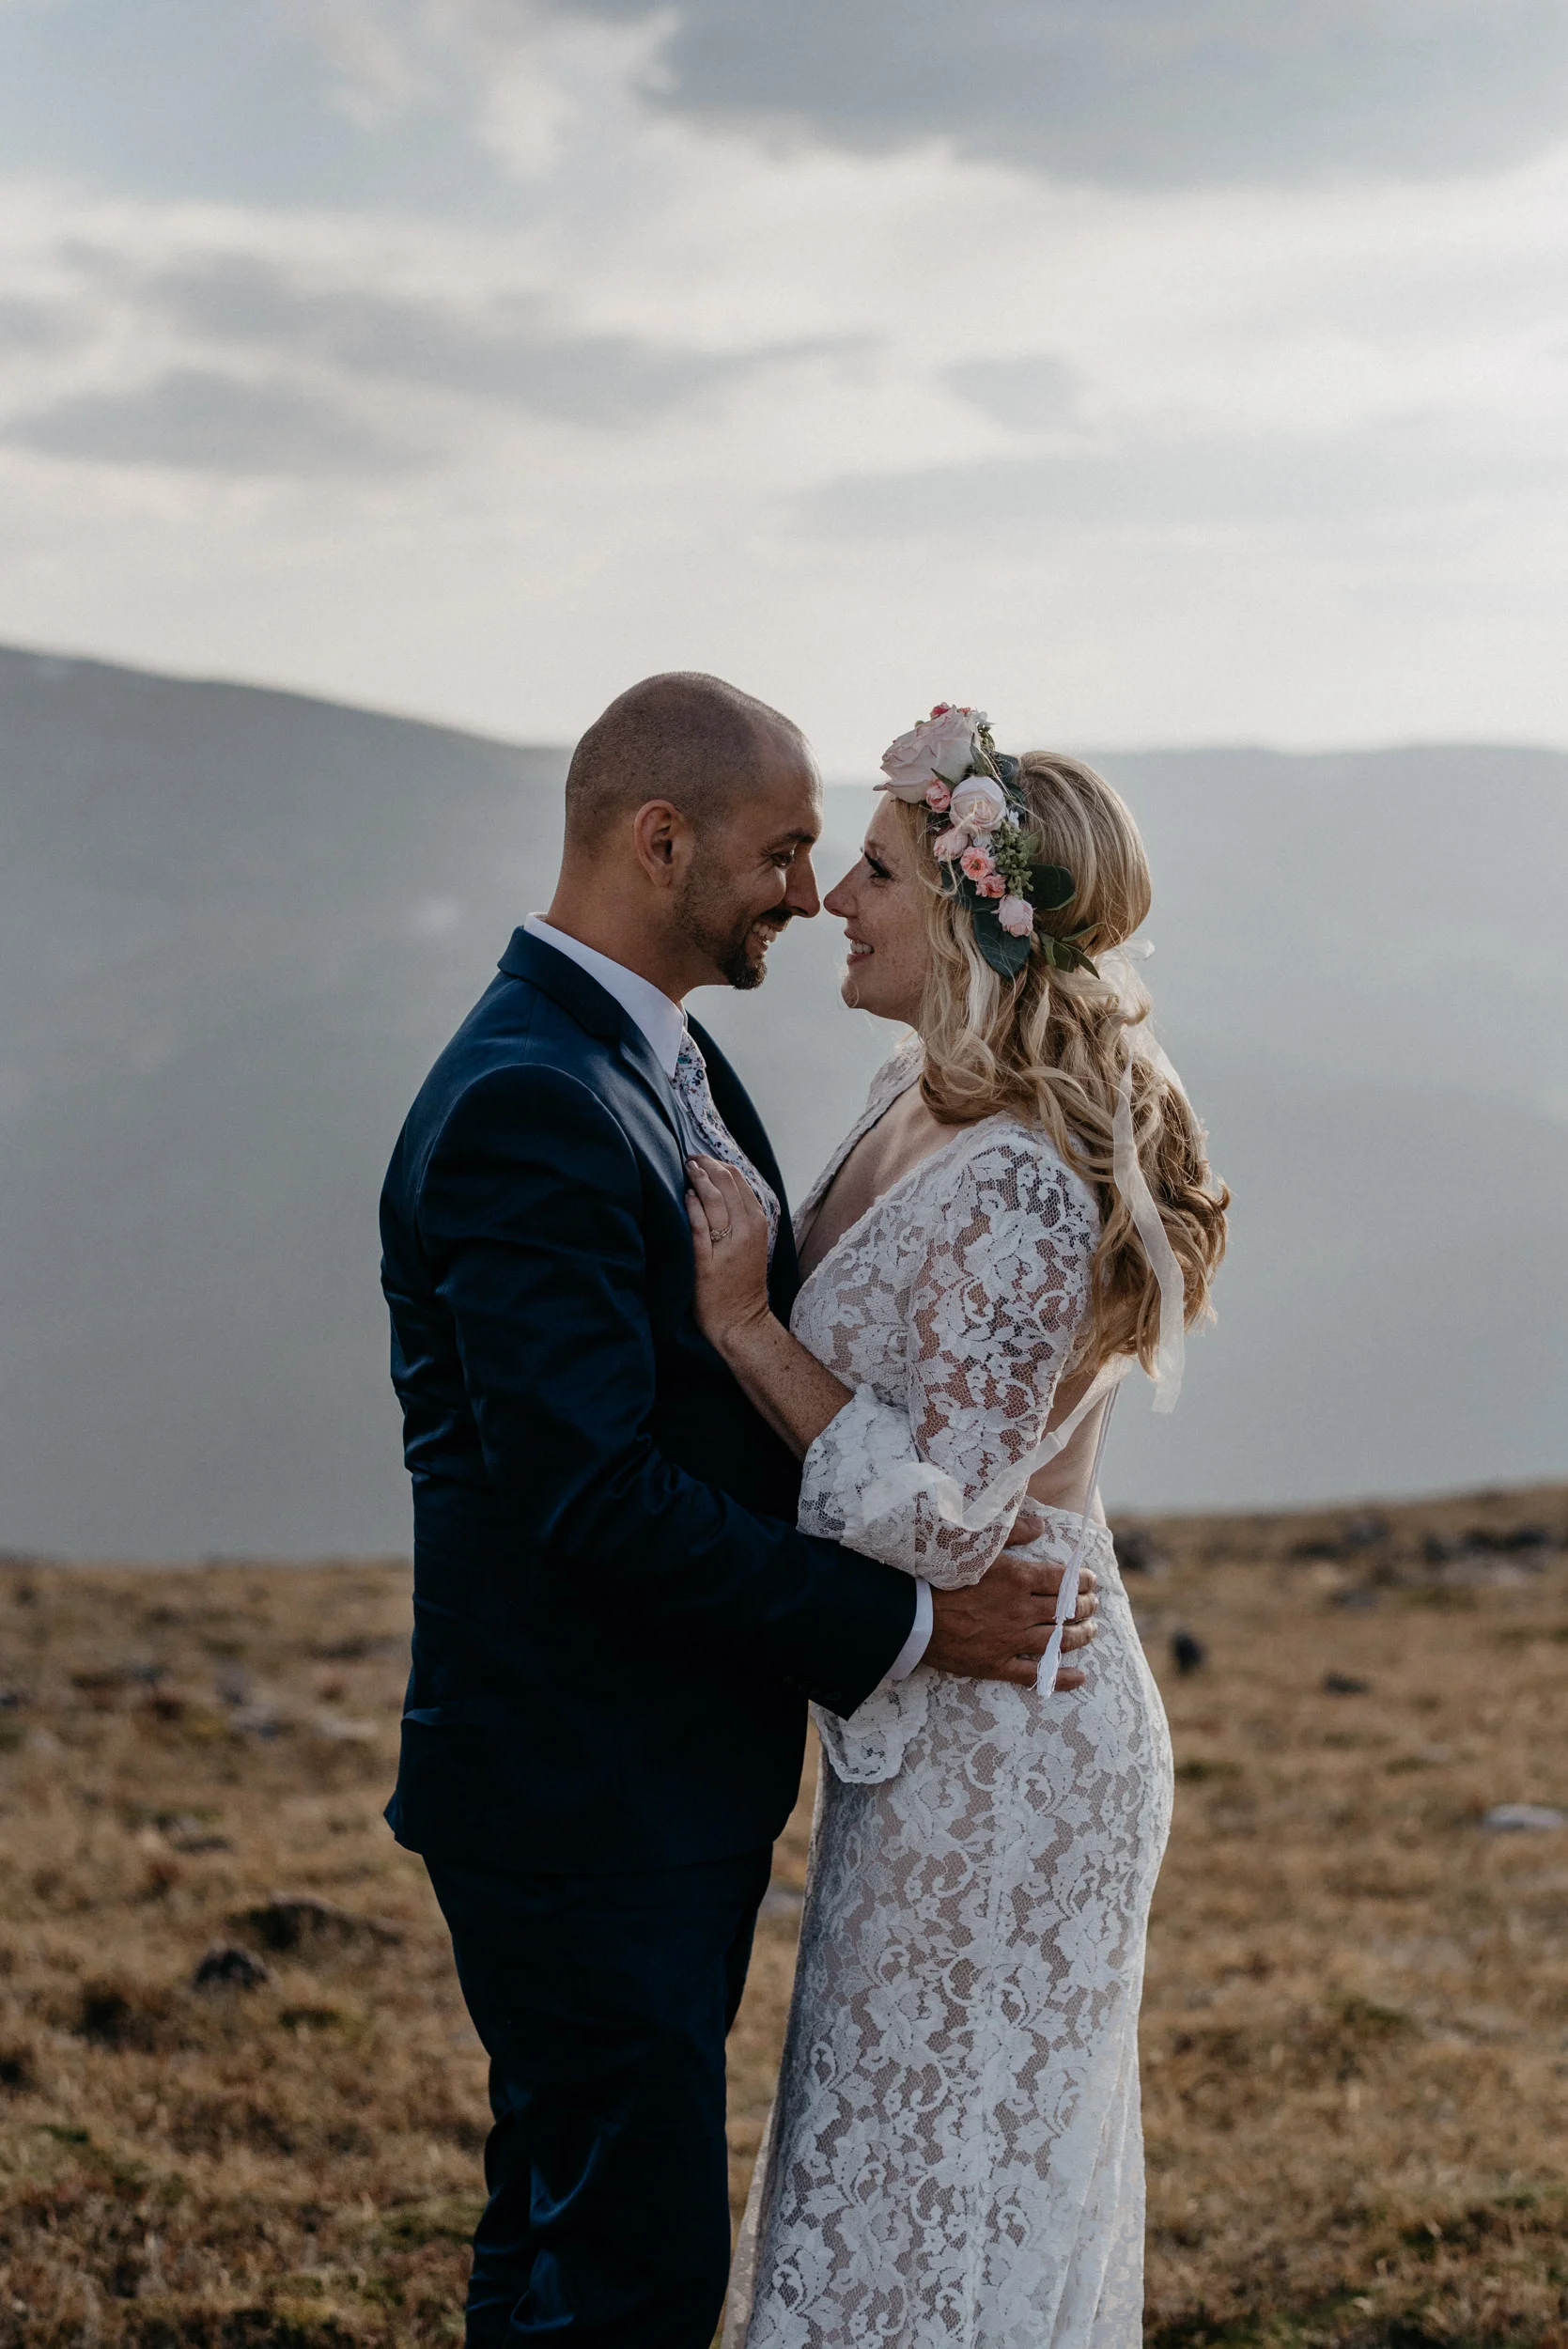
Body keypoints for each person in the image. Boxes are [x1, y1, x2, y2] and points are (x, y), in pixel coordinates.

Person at [377, 674, 1100, 2348]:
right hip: (576, 1796)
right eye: (781, 853)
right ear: (659, 839)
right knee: (629, 2277)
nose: (803, 892)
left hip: (643, 1789)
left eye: (832, 860)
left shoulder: (659, 1056)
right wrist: (913, 1624)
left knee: (561, 2229)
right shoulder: (530, 1102)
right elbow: (594, 1499)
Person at [687, 706, 1229, 2348]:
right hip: (939, 1729)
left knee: (948, 2202)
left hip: (1014, 1744)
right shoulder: (905, 1090)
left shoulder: (1019, 1182)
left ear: (976, 913)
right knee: (887, 2174)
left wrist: (741, 1326)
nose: (830, 900)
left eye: (875, 870)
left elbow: (941, 1523)